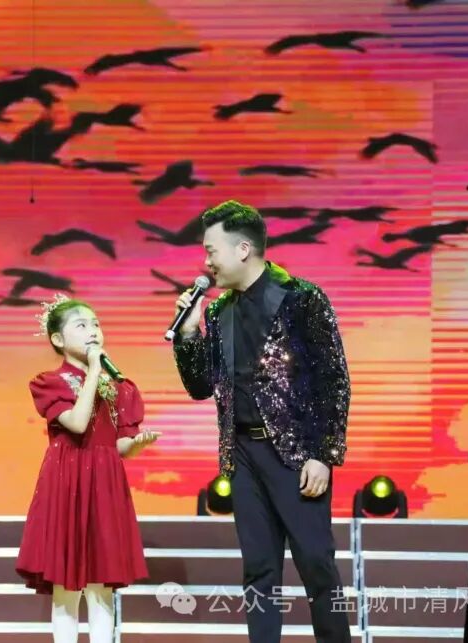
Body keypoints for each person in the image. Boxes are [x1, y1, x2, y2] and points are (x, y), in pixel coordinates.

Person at [171, 200, 352, 643]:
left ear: (243, 249)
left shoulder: (301, 298)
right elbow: (200, 386)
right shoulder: (218, 311)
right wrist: (188, 334)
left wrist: (323, 454)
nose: (206, 262)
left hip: (296, 454)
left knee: (316, 563)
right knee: (259, 569)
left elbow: (334, 380)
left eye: (211, 251)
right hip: (243, 454)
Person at [16, 294, 160, 643]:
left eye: (96, 324)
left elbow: (118, 445)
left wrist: (136, 444)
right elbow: (77, 423)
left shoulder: (120, 388)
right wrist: (95, 369)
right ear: (58, 339)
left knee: (101, 586)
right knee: (66, 586)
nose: (93, 331)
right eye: (81, 326)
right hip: (66, 481)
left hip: (104, 483)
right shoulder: (50, 382)